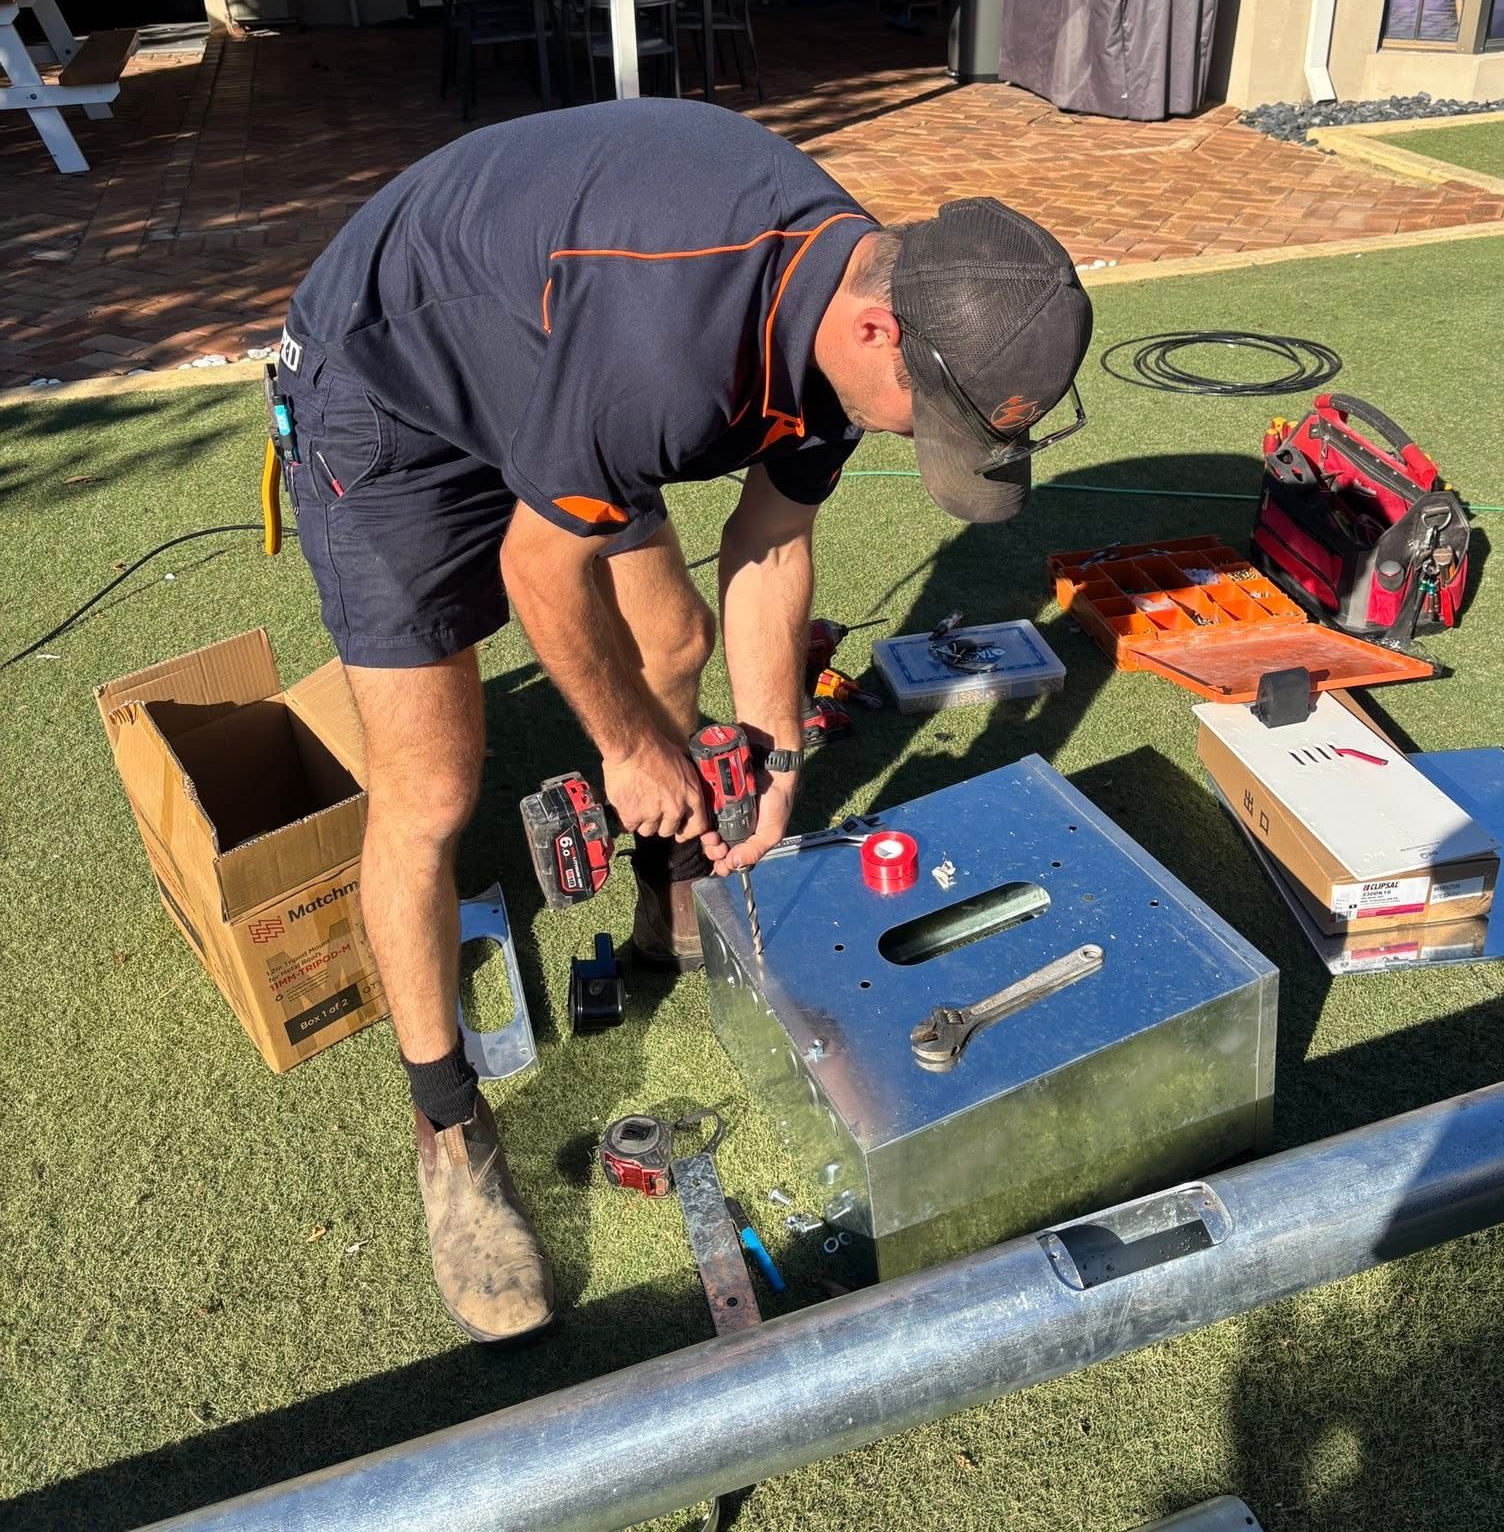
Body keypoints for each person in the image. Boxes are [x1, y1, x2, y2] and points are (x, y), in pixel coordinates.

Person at [274, 97, 1091, 1342]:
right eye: (922, 417)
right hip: (383, 390)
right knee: (433, 788)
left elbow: (769, 540)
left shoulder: (854, 301)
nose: (914, 440)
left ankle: (668, 896)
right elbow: (541, 572)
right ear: (879, 329)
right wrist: (632, 746)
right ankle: (447, 1126)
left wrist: (771, 754)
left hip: (547, 353)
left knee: (677, 637)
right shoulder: (668, 354)